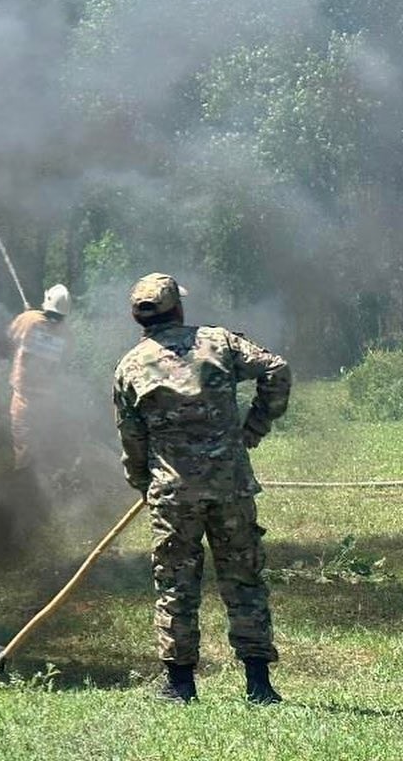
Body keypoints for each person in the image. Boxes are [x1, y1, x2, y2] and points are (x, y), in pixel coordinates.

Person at [112, 273, 291, 706]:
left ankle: (179, 686)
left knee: (175, 584)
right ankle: (259, 685)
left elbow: (131, 438)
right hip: (229, 487)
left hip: (173, 494)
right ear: (179, 308)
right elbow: (275, 369)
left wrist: (145, 483)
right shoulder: (219, 342)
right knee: (244, 578)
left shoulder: (129, 367)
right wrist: (254, 426)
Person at [8, 284, 71, 473]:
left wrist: (28, 316)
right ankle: (52, 480)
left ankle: (27, 486)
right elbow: (65, 359)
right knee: (45, 442)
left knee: (24, 445)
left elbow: (11, 335)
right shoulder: (67, 334)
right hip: (49, 400)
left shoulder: (29, 319)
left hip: (24, 399)